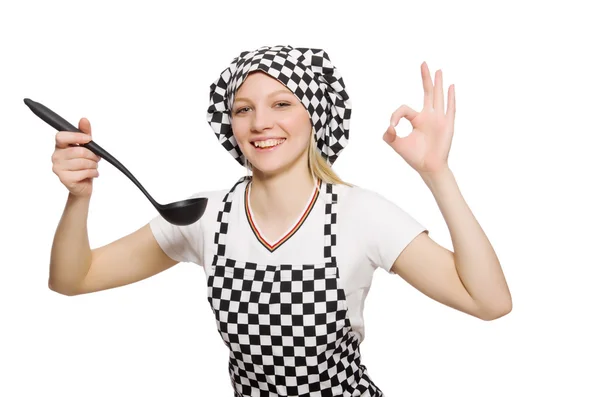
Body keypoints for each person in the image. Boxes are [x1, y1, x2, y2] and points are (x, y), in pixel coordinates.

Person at [48, 44, 512, 396]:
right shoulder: (205, 217)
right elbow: (74, 278)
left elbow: (490, 302)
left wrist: (437, 173)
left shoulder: (359, 214)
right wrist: (79, 197)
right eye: (244, 109)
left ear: (315, 117)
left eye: (282, 104)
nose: (259, 122)